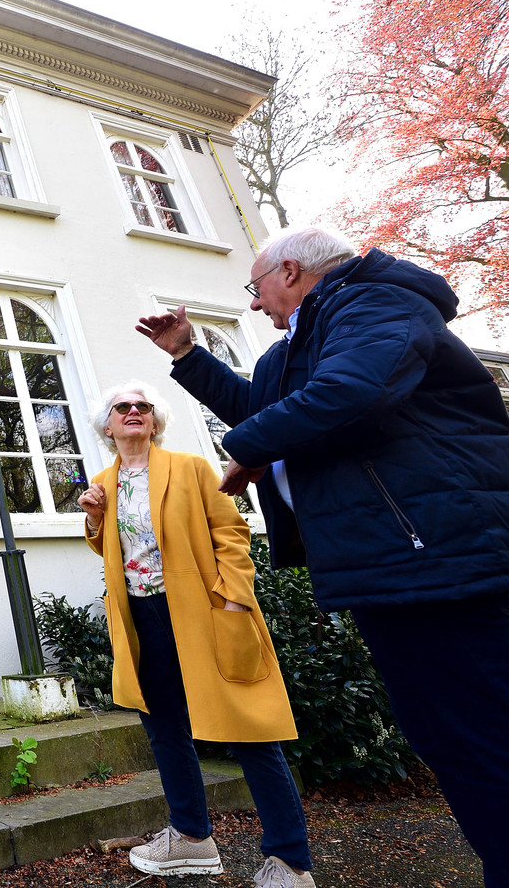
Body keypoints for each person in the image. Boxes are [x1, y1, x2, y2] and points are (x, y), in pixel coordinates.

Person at [137, 226, 509, 887]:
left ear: (291, 270)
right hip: (390, 572)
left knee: (484, 739)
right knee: (450, 743)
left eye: (257, 288)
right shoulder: (295, 349)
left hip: (448, 560)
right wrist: (189, 356)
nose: (254, 305)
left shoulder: (374, 303)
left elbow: (352, 392)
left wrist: (248, 447)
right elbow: (263, 406)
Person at [78, 381, 316, 888]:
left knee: (248, 727)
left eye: (143, 406)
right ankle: (191, 838)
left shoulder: (190, 468)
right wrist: (96, 518)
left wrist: (232, 597)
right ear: (108, 423)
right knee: (164, 729)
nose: (134, 411)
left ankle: (290, 862)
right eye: (123, 407)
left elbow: (231, 531)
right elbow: (116, 555)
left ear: (156, 420)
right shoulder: (104, 481)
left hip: (205, 612)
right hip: (142, 619)